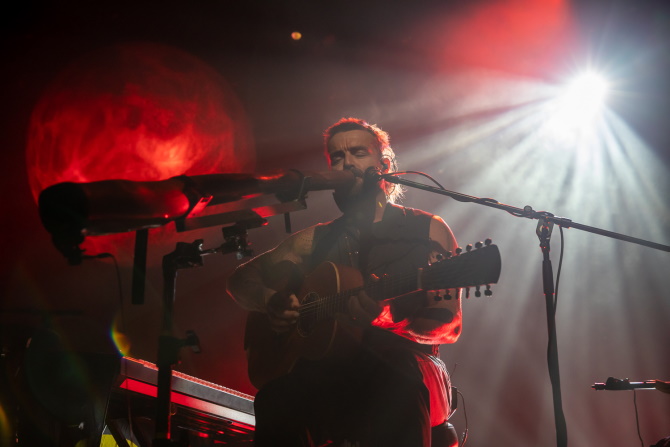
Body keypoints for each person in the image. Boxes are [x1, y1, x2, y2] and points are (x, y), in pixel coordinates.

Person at [227, 118, 462, 447]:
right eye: (337, 157)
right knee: (276, 396)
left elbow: (448, 325)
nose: (347, 163)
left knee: (394, 371)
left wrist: (386, 319)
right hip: (333, 370)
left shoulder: (428, 230)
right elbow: (242, 279)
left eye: (358, 153)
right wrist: (271, 301)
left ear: (384, 166)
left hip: (409, 367)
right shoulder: (317, 239)